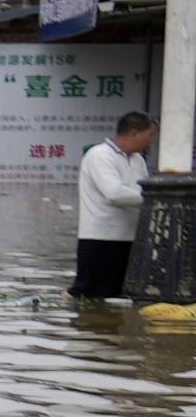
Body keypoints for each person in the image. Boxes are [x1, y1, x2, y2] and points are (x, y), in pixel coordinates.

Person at [75, 108, 153, 302]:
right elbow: (114, 193)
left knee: (117, 294)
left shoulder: (138, 160)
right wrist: (154, 200)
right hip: (99, 237)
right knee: (86, 293)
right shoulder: (99, 155)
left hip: (129, 237)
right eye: (149, 136)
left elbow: (144, 189)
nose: (150, 142)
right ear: (134, 133)